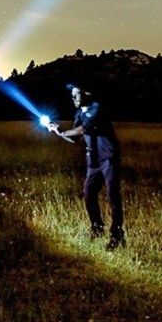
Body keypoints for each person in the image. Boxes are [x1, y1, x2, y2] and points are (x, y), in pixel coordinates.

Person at [50, 84, 125, 248]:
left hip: (109, 158)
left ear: (87, 93)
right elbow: (75, 139)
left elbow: (82, 130)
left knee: (113, 195)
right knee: (89, 194)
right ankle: (97, 227)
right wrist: (58, 132)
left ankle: (117, 235)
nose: (74, 98)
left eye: (77, 94)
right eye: (72, 95)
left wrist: (62, 131)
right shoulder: (79, 113)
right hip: (94, 161)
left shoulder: (96, 108)